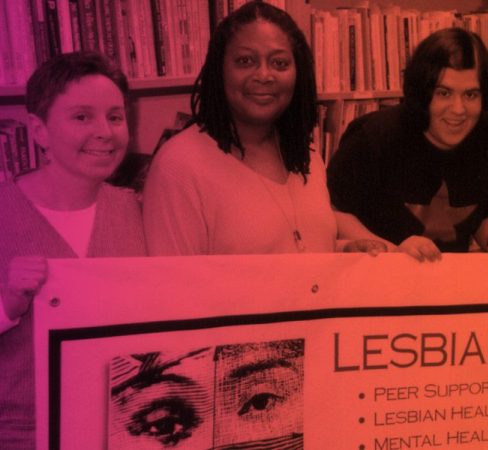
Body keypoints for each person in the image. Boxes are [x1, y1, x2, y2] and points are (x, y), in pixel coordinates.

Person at [143, 2, 387, 256]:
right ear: (219, 70)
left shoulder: (306, 156)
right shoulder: (179, 167)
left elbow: (294, 245)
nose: (264, 75)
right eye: (245, 61)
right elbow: (174, 287)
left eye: (279, 63)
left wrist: (343, 250)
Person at [0, 51, 146, 449]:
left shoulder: (136, 210)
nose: (105, 131)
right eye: (82, 117)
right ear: (39, 130)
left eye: (115, 117)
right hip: (22, 435)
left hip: (121, 429)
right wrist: (7, 306)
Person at [328, 27, 488, 263]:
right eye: (444, 93)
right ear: (423, 92)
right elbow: (333, 213)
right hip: (374, 283)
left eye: (471, 95)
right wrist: (391, 251)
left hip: (450, 286)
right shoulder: (373, 137)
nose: (458, 109)